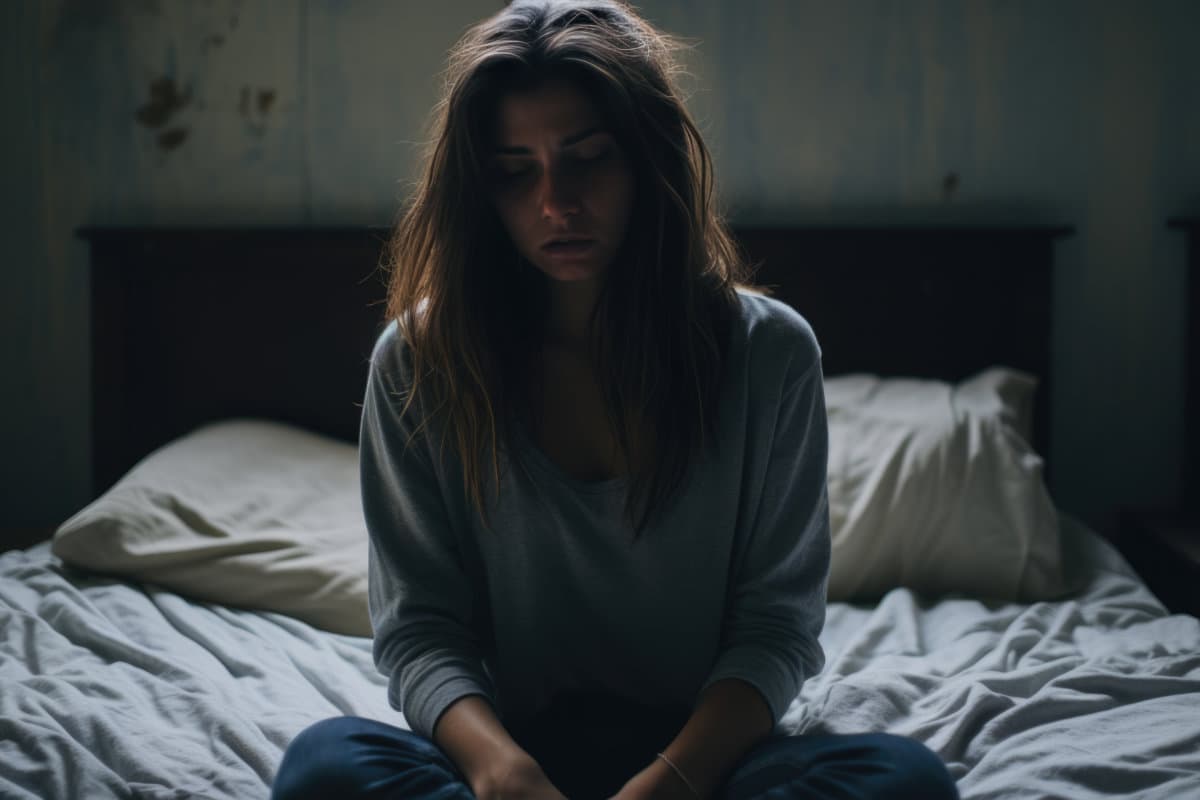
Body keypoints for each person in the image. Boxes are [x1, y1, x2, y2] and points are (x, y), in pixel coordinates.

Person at [273, 1, 959, 798]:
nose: (556, 203)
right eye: (515, 171)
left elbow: (776, 627)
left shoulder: (769, 356)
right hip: (508, 755)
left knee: (905, 782)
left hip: (709, 762)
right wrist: (503, 774)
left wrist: (670, 782)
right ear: (480, 190)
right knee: (324, 769)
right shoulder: (421, 363)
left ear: (647, 159)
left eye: (589, 158)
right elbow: (420, 631)